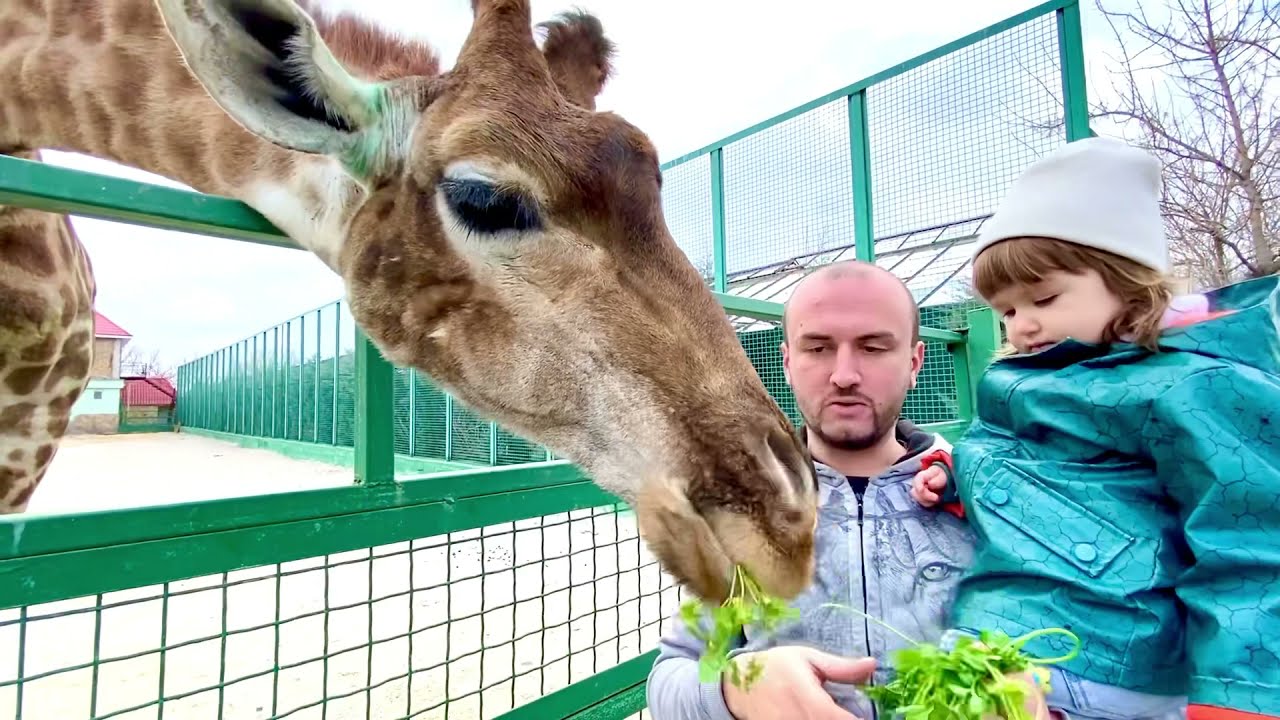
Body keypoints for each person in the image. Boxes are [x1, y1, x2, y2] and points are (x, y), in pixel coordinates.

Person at [911, 137, 1280, 719]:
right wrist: (959, 477)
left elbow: (1250, 545)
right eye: (1005, 311)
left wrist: (1241, 695)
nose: (1023, 324)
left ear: (1127, 279)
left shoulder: (1190, 385)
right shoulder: (1037, 382)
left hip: (1103, 656)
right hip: (1004, 642)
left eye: (1044, 297)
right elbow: (1058, 480)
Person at [646, 260, 1006, 719]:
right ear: (788, 362)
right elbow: (670, 678)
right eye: (817, 348)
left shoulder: (985, 495)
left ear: (914, 362)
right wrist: (736, 692)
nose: (844, 375)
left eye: (873, 347)